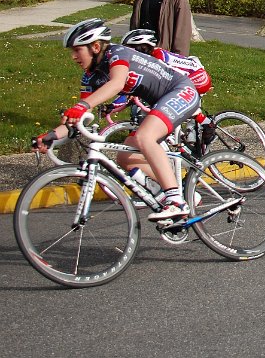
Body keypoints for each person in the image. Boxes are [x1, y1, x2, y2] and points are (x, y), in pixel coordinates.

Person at [34, 18, 200, 222]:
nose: (73, 56)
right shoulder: (90, 77)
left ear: (95, 47)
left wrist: (82, 106)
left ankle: (176, 202)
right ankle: (176, 192)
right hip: (160, 101)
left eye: (77, 50)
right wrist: (52, 136)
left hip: (181, 90)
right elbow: (81, 118)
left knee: (145, 137)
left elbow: (117, 83)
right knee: (124, 157)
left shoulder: (117, 53)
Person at [121, 28, 216, 144]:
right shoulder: (151, 57)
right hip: (185, 77)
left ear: (142, 48)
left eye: (131, 49)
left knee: (173, 101)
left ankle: (207, 123)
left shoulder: (157, 58)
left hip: (198, 77)